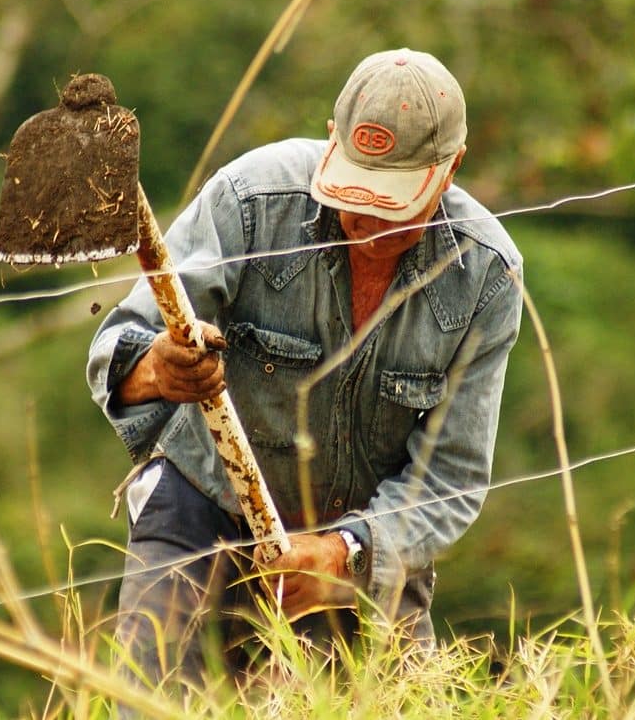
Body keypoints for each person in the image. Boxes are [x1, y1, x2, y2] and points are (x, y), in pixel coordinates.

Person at [87, 48, 523, 683]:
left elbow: (450, 477)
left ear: (451, 169)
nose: (369, 223)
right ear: (332, 142)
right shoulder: (251, 201)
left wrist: (340, 555)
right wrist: (159, 369)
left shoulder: (485, 276)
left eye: (394, 204)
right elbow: (119, 350)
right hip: (202, 508)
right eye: (356, 196)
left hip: (362, 546)